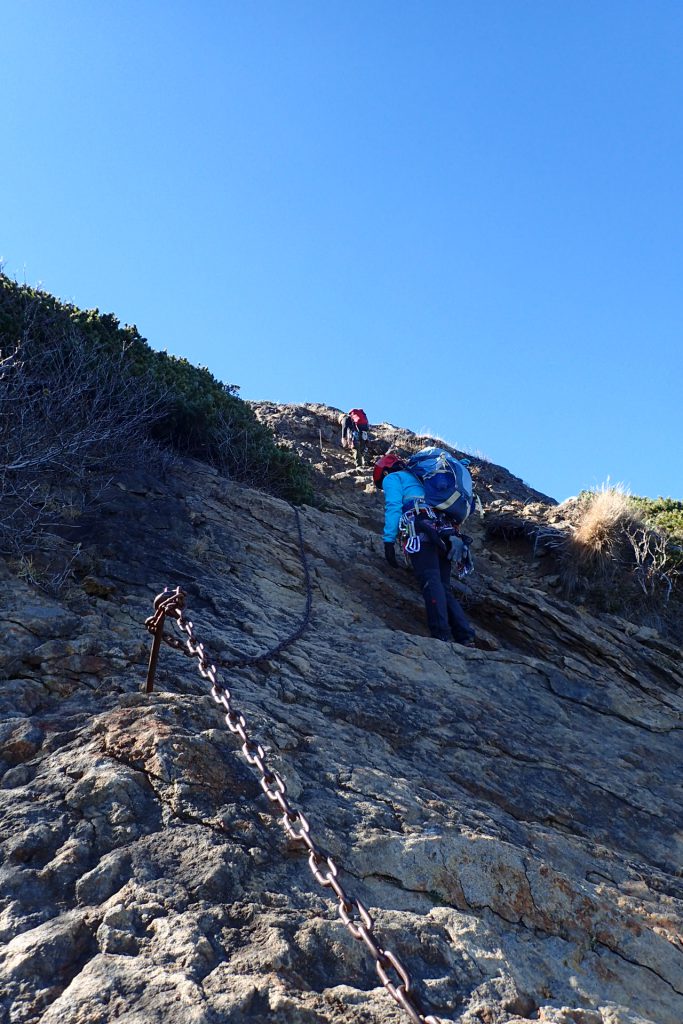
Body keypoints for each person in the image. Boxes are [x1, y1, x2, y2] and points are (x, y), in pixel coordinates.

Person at [373, 453, 476, 646]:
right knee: (443, 586)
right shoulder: (422, 477)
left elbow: (394, 506)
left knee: (430, 581)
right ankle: (465, 634)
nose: (383, 488)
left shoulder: (393, 478)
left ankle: (441, 634)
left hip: (420, 530)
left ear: (385, 471)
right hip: (445, 531)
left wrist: (388, 540)